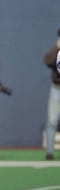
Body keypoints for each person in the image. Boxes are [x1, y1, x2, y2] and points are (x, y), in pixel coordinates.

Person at [43, 27, 60, 160]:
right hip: (56, 89)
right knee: (52, 121)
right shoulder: (56, 50)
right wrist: (57, 48)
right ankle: (49, 152)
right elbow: (47, 61)